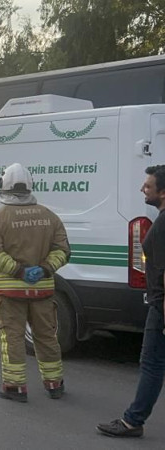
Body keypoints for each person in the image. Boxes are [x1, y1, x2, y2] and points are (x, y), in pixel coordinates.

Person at [0, 163, 70, 402]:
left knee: (12, 338)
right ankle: (55, 384)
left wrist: (20, 272)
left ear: (2, 185)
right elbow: (63, 251)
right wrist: (43, 269)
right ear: (31, 186)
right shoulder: (50, 217)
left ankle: (14, 387)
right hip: (42, 291)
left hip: (10, 292)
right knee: (46, 337)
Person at [97, 165, 165, 437]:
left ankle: (132, 421)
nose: (142, 189)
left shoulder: (162, 225)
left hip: (161, 307)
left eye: (148, 186)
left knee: (152, 363)